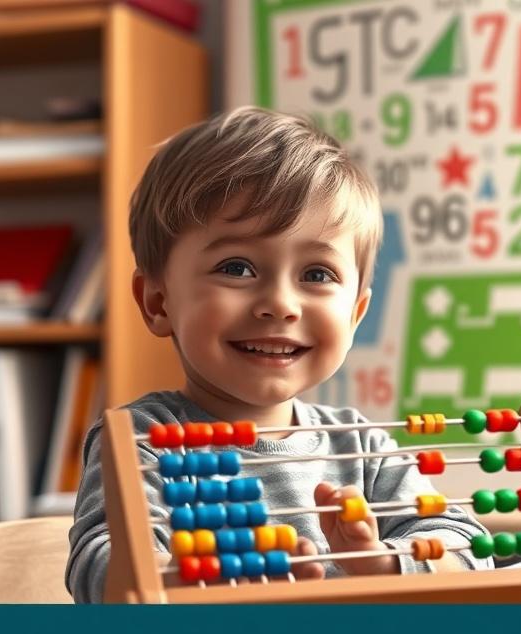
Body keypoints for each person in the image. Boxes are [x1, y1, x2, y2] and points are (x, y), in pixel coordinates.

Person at [66, 106, 492, 602]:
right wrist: (189, 576)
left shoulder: (361, 449)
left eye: (316, 275)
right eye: (237, 267)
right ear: (158, 302)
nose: (280, 305)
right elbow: (99, 565)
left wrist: (386, 562)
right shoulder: (145, 442)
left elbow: (469, 544)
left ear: (355, 315)